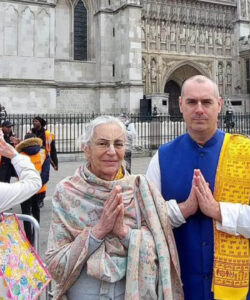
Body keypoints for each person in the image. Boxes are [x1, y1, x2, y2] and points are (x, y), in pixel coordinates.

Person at [146, 75, 250, 300]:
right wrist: (184, 209)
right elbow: (146, 220)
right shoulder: (161, 158)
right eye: (192, 102)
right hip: (183, 290)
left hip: (247, 290)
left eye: (207, 102)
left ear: (219, 105)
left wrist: (219, 210)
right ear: (181, 105)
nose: (199, 109)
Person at [46, 116, 183, 300]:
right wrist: (98, 231)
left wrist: (124, 233)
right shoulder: (67, 191)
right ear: (86, 149)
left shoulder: (140, 189)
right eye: (102, 143)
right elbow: (54, 262)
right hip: (83, 292)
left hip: (130, 291)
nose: (111, 151)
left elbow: (160, 249)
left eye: (118, 144)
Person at [16, 133, 50, 244]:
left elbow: (16, 172)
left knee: (26, 214)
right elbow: (46, 174)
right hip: (38, 189)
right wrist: (37, 185)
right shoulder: (43, 153)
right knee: (36, 212)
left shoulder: (20, 154)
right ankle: (36, 236)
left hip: (24, 189)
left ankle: (29, 240)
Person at [0, 129, 42, 211]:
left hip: (20, 178)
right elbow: (34, 182)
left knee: (27, 209)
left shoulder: (22, 151)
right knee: (35, 209)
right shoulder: (41, 151)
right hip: (29, 181)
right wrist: (14, 156)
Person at [31, 116, 58, 208]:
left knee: (44, 178)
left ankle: (40, 198)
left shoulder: (48, 134)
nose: (34, 122)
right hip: (33, 159)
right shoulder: (30, 132)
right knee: (33, 178)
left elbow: (53, 149)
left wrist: (55, 163)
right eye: (33, 121)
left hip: (44, 158)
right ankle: (33, 198)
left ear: (41, 123)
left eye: (36, 121)